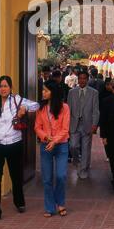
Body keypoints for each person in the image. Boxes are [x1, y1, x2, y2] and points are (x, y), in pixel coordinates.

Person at [0, 75, 39, 222]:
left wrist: (23, 110)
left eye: (6, 86)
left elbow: (36, 105)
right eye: (1, 86)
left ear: (10, 87)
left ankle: (19, 202)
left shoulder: (16, 100)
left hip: (14, 144)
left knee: (16, 176)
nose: (3, 89)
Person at [35, 79, 70, 217]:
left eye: (45, 90)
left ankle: (60, 202)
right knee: (47, 178)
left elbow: (65, 129)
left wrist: (54, 141)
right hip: (46, 145)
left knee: (61, 175)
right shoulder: (41, 108)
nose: (43, 93)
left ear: (53, 92)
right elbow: (37, 127)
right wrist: (45, 137)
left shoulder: (64, 107)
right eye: (43, 90)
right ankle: (50, 207)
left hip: (61, 145)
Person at [68, 70, 99, 179]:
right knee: (73, 146)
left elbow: (96, 110)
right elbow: (68, 109)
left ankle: (83, 170)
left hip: (87, 124)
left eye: (84, 78)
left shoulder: (94, 93)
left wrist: (95, 124)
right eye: (80, 78)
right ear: (78, 79)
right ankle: (76, 162)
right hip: (74, 124)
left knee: (86, 148)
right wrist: (67, 125)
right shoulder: (71, 92)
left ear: (87, 79)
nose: (82, 80)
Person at [100, 78, 114, 191]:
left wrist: (103, 136)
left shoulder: (106, 101)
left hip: (110, 134)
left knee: (113, 158)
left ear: (112, 87)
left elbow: (103, 119)